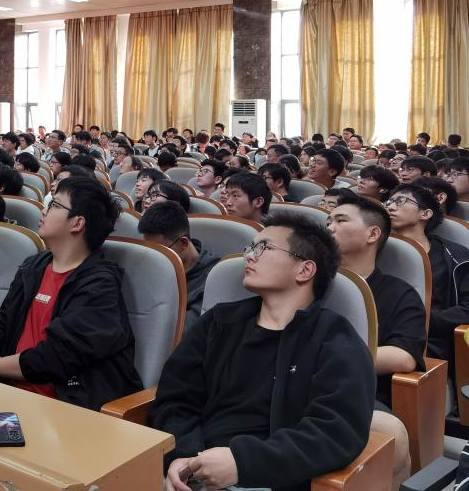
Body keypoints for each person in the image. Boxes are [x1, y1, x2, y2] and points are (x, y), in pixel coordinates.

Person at [153, 211, 375, 491]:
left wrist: (242, 463)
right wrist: (184, 456)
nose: (249, 256)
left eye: (263, 248)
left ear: (304, 270)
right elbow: (175, 399)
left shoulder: (335, 339)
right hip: (193, 470)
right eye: (250, 247)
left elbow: (335, 431)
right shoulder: (218, 322)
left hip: (270, 478)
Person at [0, 176, 143, 411]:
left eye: (54, 205)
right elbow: (3, 330)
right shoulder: (33, 267)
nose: (44, 210)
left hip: (63, 407)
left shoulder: (100, 285)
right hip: (9, 394)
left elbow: (56, 356)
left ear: (77, 223)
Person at [327, 197, 423, 489]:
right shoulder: (307, 280)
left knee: (390, 431)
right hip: (286, 378)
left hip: (357, 389)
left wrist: (324, 361)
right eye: (328, 221)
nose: (329, 227)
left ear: (372, 234)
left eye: (340, 220)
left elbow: (404, 356)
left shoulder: (399, 293)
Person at [386, 183, 469, 364]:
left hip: (431, 340)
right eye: (389, 202)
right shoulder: (376, 252)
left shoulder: (456, 257)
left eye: (401, 201)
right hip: (383, 334)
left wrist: (421, 321)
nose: (390, 207)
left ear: (425, 213)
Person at [138, 201, 217, 331]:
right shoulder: (150, 267)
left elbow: (185, 331)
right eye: (150, 250)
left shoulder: (212, 279)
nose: (154, 257)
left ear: (183, 243)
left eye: (161, 251)